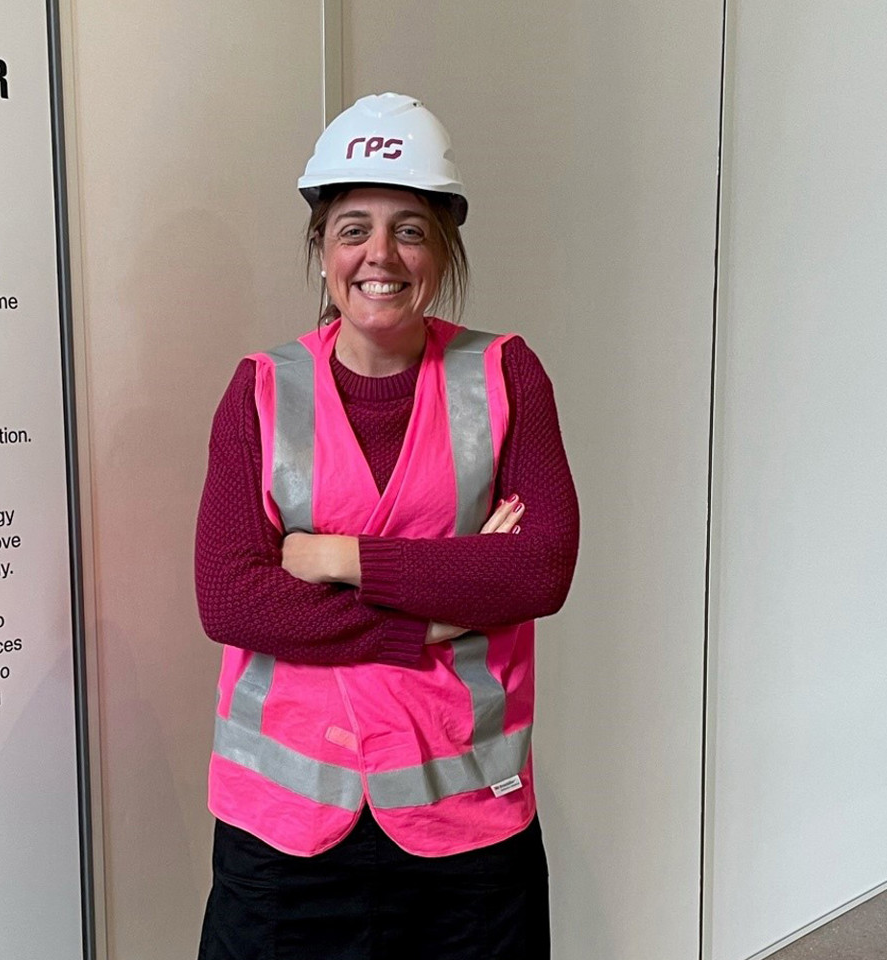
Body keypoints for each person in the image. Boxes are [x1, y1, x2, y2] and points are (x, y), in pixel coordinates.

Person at [195, 92, 579, 960]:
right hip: (284, 838)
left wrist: (333, 557)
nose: (380, 255)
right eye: (353, 227)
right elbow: (230, 599)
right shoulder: (259, 391)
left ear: (443, 248)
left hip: (466, 828)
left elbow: (540, 569)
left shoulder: (506, 374)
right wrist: (437, 616)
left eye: (410, 228)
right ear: (322, 248)